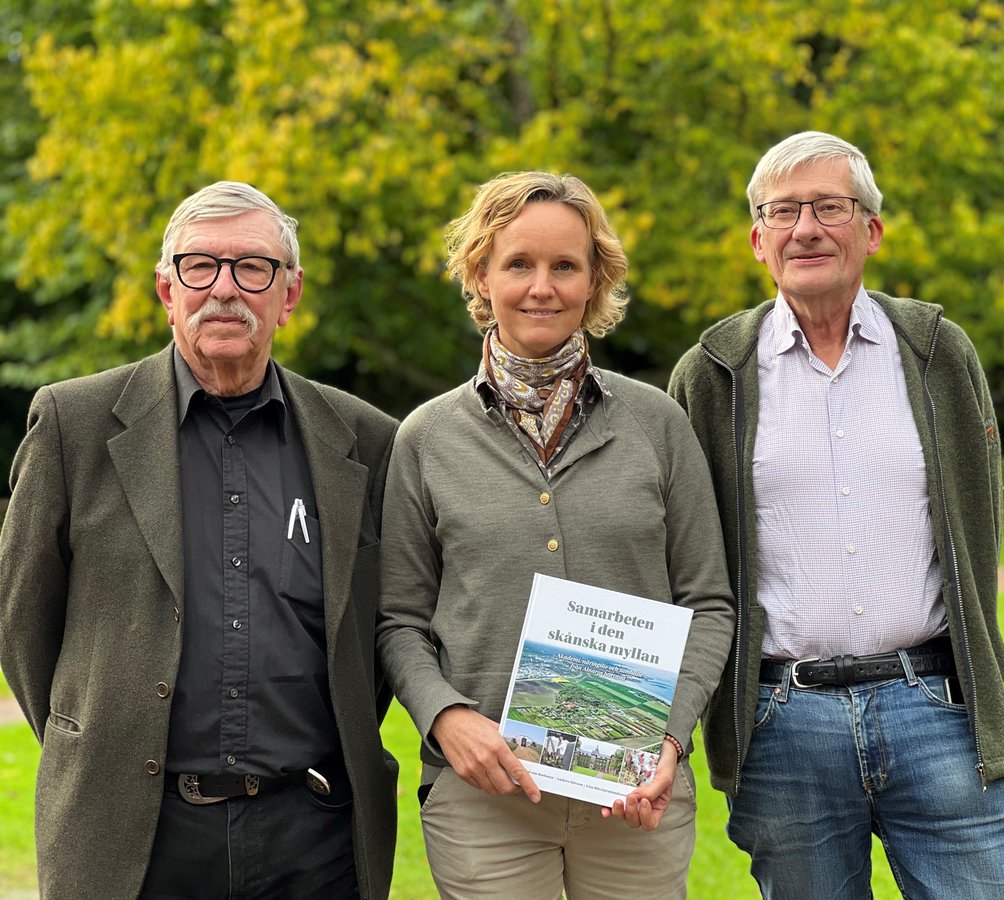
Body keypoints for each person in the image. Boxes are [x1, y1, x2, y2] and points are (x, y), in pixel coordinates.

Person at [0, 181, 400, 898]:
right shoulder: (72, 425)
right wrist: (96, 735)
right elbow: (22, 619)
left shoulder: (366, 441)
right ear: (166, 288)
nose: (224, 289)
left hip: (316, 839)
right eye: (200, 266)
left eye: (252, 268)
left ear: (289, 293)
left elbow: (377, 636)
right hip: (133, 839)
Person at [669, 132, 1004, 898]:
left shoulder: (938, 351)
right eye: (783, 211)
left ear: (871, 230)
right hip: (782, 724)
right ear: (758, 241)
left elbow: (980, 523)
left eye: (830, 207)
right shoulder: (711, 374)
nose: (806, 228)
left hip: (936, 706)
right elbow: (681, 554)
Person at [377, 171, 734, 898]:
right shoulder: (426, 439)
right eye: (519, 264)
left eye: (565, 266)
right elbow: (398, 621)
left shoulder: (659, 425)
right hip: (484, 800)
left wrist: (668, 740)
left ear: (594, 280)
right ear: (481, 274)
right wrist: (445, 718)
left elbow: (708, 602)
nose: (542, 287)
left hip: (635, 792)